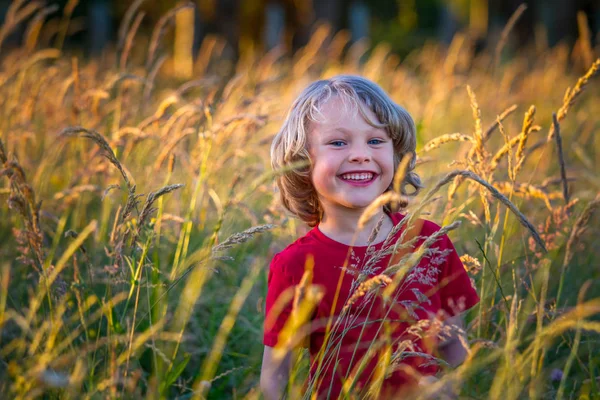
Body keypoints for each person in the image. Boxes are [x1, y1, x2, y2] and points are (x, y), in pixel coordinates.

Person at [260, 75, 479, 399]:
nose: (361, 154)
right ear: (301, 162)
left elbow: (456, 349)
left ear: (396, 155)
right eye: (338, 142)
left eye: (375, 141)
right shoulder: (296, 265)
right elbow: (274, 379)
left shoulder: (429, 241)